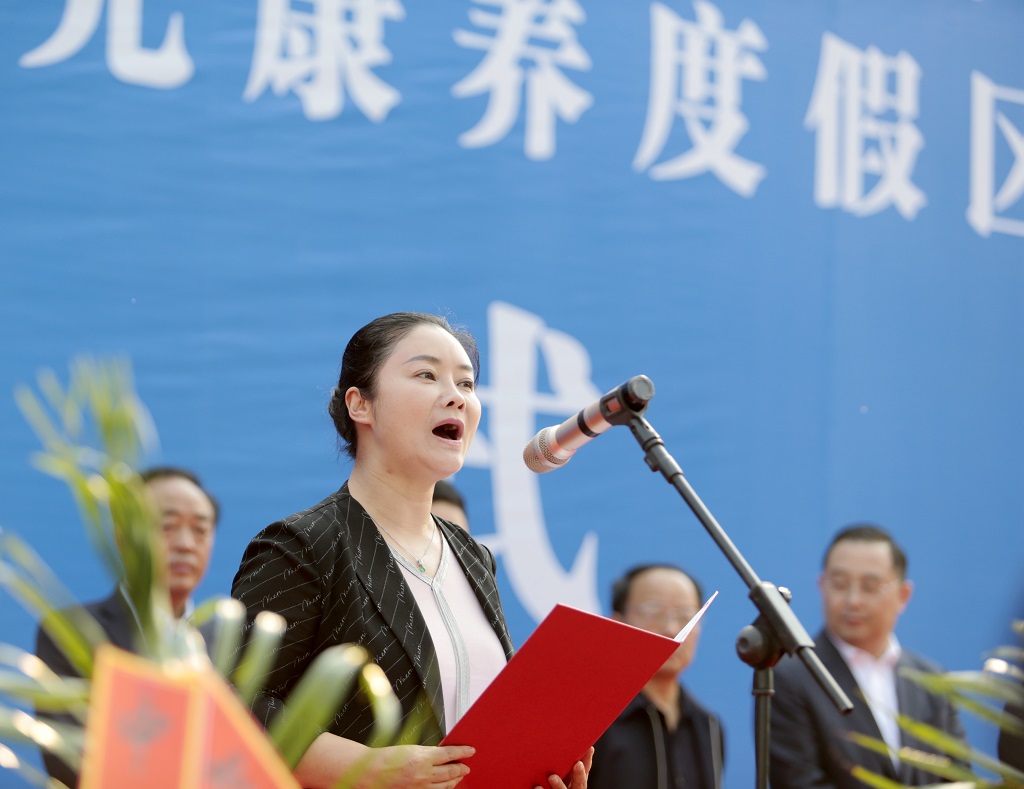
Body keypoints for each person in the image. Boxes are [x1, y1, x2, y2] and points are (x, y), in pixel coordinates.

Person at [231, 312, 592, 789]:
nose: (456, 396)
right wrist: (369, 769)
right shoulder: (305, 544)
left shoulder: (472, 555)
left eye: (467, 383)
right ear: (361, 404)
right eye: (426, 375)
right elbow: (231, 705)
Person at [34, 465, 219, 786]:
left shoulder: (229, 640)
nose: (186, 544)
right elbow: (68, 759)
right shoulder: (73, 632)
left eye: (200, 530)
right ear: (123, 536)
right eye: (166, 526)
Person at [769, 523, 966, 789]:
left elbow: (959, 777)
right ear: (822, 585)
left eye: (870, 586)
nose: (853, 600)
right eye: (839, 584)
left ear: (903, 595)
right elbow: (798, 782)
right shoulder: (791, 677)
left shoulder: (932, 681)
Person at [588, 564, 724, 789]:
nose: (671, 629)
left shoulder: (708, 725)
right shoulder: (591, 721)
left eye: (686, 616)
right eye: (653, 612)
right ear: (618, 621)